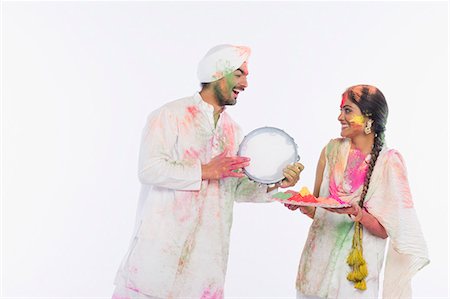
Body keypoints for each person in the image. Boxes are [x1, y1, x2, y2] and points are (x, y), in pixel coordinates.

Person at [112, 44, 303, 299]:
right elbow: (149, 169)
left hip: (204, 264)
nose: (245, 84)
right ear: (216, 73)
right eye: (239, 74)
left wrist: (276, 182)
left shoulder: (233, 131)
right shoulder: (169, 116)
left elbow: (235, 189)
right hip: (158, 257)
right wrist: (205, 170)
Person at [285, 85, 429, 298]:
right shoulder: (331, 151)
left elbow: (386, 230)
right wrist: (303, 205)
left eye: (347, 110)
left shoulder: (389, 162)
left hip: (355, 279)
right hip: (315, 272)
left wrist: (358, 214)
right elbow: (318, 208)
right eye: (341, 109)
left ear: (369, 119)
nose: (339, 117)